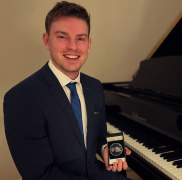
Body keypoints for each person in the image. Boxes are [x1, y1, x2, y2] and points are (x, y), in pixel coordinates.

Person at [3, 1, 131, 180]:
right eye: (62, 37)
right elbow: (40, 176)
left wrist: (105, 149)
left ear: (89, 43)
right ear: (47, 40)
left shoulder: (94, 86)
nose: (73, 47)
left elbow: (100, 133)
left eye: (80, 38)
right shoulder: (20, 98)